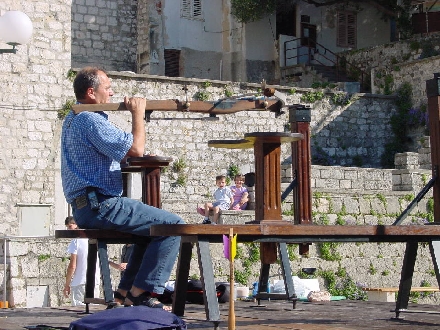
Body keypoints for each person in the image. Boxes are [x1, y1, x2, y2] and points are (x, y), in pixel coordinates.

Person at [61, 67, 185, 311]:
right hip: (101, 204)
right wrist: (137, 114)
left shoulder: (72, 117)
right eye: (107, 88)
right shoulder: (89, 119)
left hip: (86, 206)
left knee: (147, 234)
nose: (111, 92)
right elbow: (136, 149)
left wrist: (125, 158)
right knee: (171, 227)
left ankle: (125, 292)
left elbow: (108, 156)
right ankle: (141, 293)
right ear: (91, 92)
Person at [63, 216, 101, 306]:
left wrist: (67, 284)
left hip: (80, 282)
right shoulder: (93, 239)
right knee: (93, 310)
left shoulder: (76, 241)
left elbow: (72, 266)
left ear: (76, 225)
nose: (68, 229)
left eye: (69, 226)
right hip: (94, 281)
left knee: (78, 310)